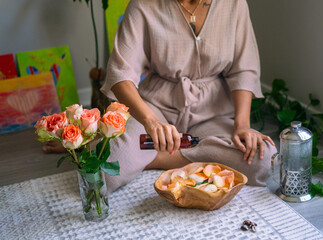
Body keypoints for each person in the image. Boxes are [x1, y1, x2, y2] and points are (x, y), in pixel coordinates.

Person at [47, 0, 277, 193]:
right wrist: (151, 122)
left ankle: (153, 155)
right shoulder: (143, 4)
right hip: (156, 106)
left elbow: (244, 69)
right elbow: (121, 74)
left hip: (212, 111)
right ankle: (190, 153)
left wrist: (242, 125)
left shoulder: (234, 3)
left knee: (262, 160)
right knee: (104, 173)